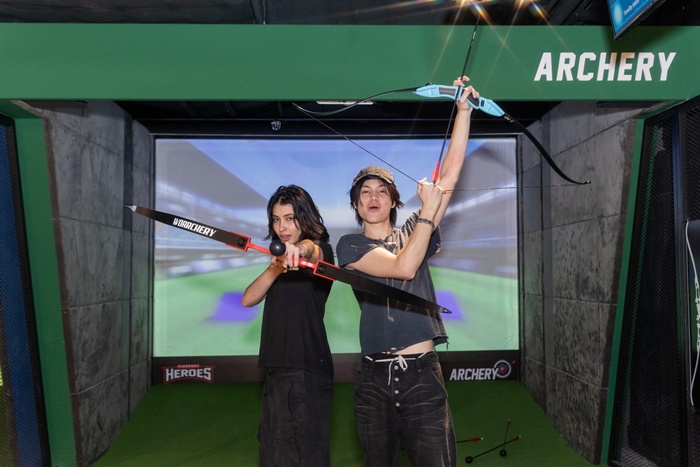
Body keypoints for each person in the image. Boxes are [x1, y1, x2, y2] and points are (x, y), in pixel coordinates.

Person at [335, 76, 478, 467]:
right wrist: (428, 212)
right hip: (373, 381)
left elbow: (449, 176)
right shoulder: (350, 246)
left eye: (381, 191)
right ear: (356, 205)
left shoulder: (417, 231)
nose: (373, 196)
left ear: (394, 201)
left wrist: (463, 111)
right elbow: (404, 266)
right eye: (365, 192)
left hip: (421, 376)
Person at [241, 184, 335, 467]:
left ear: (304, 218)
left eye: (290, 218)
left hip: (304, 373)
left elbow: (312, 250)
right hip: (277, 372)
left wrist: (299, 249)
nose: (282, 227)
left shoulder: (322, 252)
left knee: (302, 456)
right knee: (274, 454)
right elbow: (248, 299)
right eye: (276, 219)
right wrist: (275, 267)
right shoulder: (279, 265)